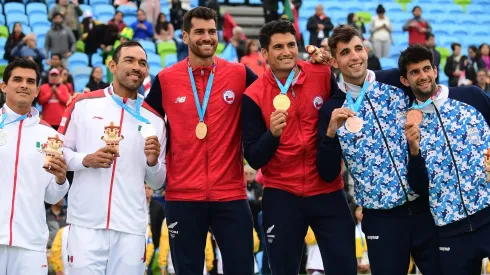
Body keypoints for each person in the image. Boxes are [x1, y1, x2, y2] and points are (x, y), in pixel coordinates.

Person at [316, 25, 441, 275]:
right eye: (345, 52)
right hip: (380, 218)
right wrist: (330, 134)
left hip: (423, 207)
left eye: (358, 48)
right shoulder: (331, 108)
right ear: (334, 61)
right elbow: (327, 173)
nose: (355, 57)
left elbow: (429, 85)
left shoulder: (395, 80)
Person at [145, 7, 257, 275]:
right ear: (185, 36)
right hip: (183, 196)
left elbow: (274, 93)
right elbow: (142, 119)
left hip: (230, 194)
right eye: (199, 32)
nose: (207, 37)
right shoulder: (166, 79)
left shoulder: (240, 74)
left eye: (211, 31)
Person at [242, 20, 356, 275]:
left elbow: (345, 100)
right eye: (278, 46)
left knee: (345, 267)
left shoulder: (321, 74)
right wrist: (271, 135)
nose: (287, 52)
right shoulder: (253, 95)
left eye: (291, 45)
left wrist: (333, 63)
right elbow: (253, 157)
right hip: (283, 193)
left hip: (327, 188)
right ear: (264, 54)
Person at [58, 41, 166, 274]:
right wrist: (86, 160)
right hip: (86, 224)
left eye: (142, 63)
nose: (137, 67)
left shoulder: (155, 120)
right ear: (112, 65)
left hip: (131, 227)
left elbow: (158, 183)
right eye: (129, 60)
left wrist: (153, 161)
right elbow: (58, 154)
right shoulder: (83, 104)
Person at [397, 44, 490, 275]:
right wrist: (415, 150)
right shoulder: (408, 124)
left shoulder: (471, 96)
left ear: (436, 71)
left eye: (426, 68)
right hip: (450, 231)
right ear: (405, 80)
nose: (423, 76)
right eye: (415, 72)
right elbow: (418, 187)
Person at [0, 58, 69, 275]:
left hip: (30, 243)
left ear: (38, 90)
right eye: (17, 79)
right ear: (3, 86)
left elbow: (51, 196)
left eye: (30, 81)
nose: (24, 85)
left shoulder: (50, 136)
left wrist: (60, 179)